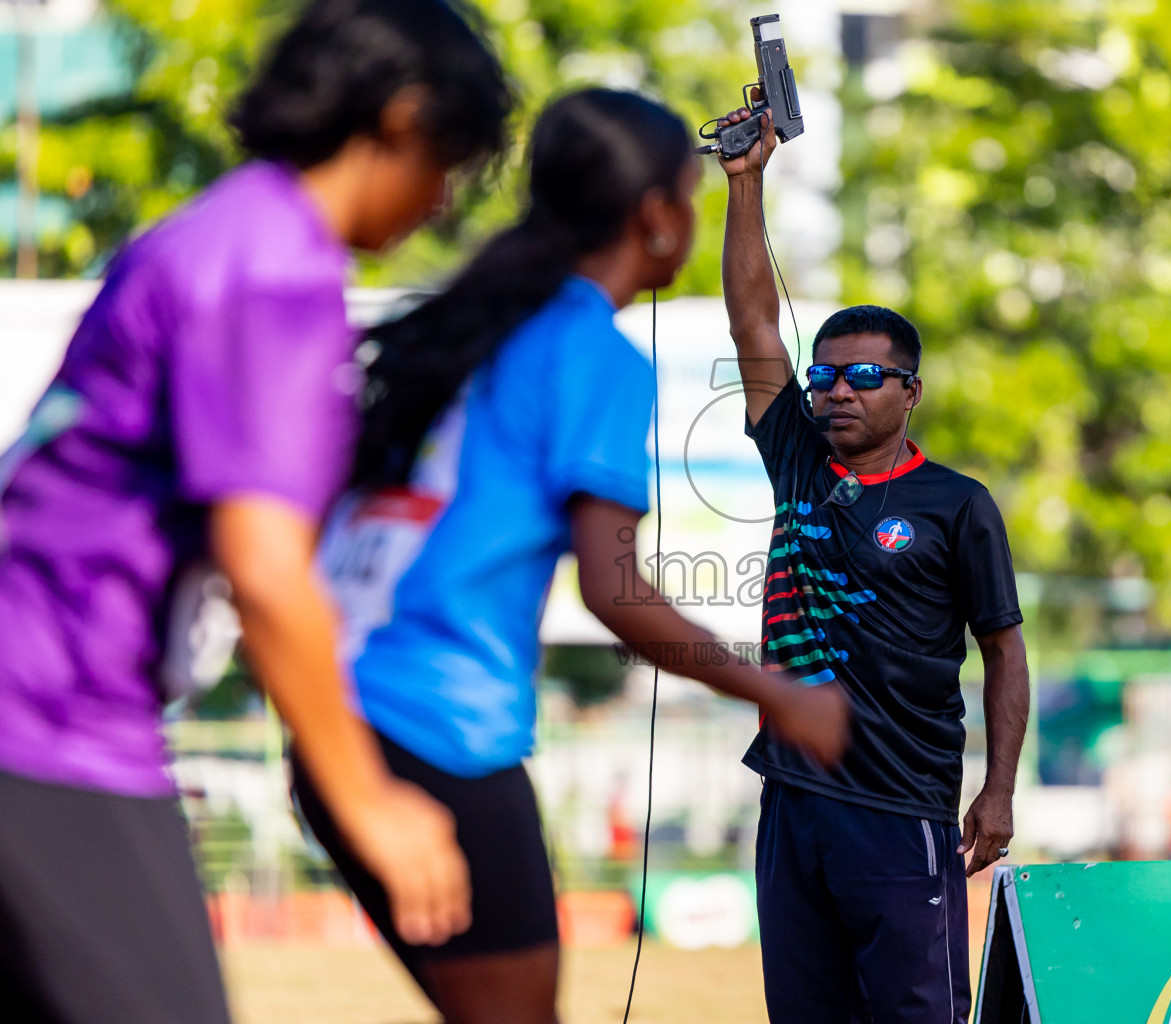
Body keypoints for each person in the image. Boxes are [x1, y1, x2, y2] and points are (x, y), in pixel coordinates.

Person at [0, 3, 511, 1021]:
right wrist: (369, 800)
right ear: (402, 121)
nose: (441, 203)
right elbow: (266, 566)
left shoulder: (218, 228)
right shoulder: (278, 271)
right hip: (43, 722)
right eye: (449, 167)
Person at [294, 88, 848, 1024]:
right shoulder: (593, 350)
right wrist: (780, 695)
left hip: (332, 727)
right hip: (439, 734)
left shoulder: (465, 324)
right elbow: (615, 591)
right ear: (656, 218)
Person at [715, 105, 1032, 1024]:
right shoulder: (799, 459)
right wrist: (746, 183)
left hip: (902, 810)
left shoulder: (958, 504)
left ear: (910, 393)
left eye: (861, 377)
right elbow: (752, 323)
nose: (835, 391)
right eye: (825, 376)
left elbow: (1004, 653)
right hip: (794, 804)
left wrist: (999, 791)